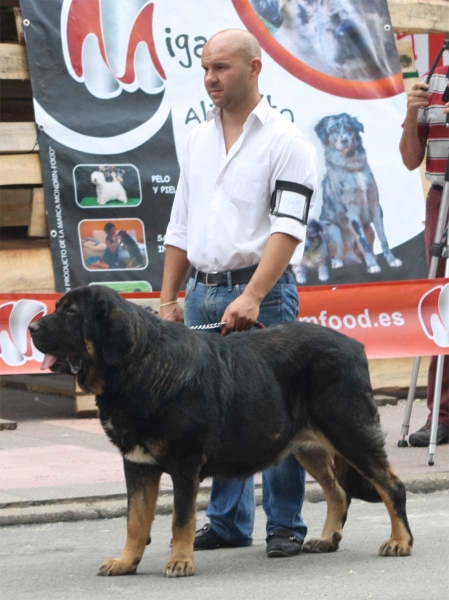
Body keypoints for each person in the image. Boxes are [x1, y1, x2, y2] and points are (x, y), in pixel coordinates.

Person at [159, 29, 318, 557]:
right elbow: (179, 226)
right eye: (205, 68)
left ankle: (285, 525)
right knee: (211, 415)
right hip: (202, 295)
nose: (210, 79)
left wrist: (251, 296)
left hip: (263, 296)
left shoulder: (287, 142)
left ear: (254, 69)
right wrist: (167, 299)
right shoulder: (198, 139)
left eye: (222, 68)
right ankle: (227, 523)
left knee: (278, 411)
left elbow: (288, 228)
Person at [399, 65, 449, 446]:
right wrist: (412, 113)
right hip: (442, 197)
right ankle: (442, 415)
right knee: (443, 307)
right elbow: (410, 159)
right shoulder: (436, 75)